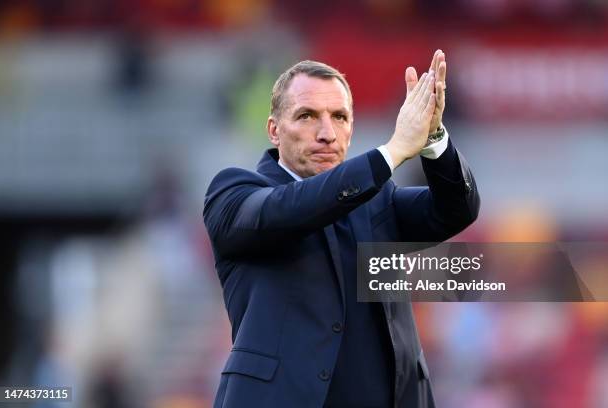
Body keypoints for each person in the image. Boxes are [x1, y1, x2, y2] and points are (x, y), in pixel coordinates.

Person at [203, 50, 480, 408]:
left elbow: (457, 209)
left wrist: (433, 137)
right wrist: (391, 152)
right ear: (274, 129)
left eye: (339, 117)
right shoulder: (235, 191)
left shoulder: (378, 200)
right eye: (306, 116)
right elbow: (289, 209)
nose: (326, 133)